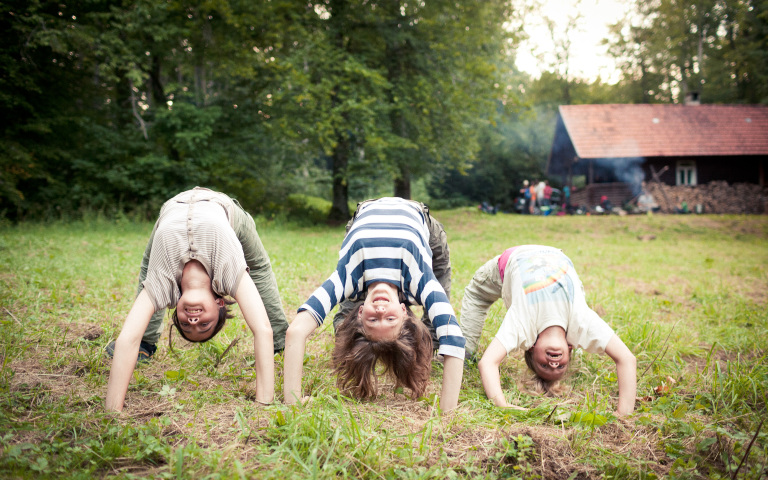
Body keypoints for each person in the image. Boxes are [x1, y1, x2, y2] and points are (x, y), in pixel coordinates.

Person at [105, 187, 288, 411]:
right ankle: (281, 342)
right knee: (257, 267)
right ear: (220, 302)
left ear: (175, 309)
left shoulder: (162, 285)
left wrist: (112, 411)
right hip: (224, 207)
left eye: (185, 323)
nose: (193, 321)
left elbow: (127, 339)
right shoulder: (229, 274)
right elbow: (262, 329)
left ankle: (147, 341)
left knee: (147, 271)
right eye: (205, 324)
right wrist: (264, 402)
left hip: (173, 206)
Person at [283, 197, 465, 411]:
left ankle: (353, 344)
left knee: (345, 321)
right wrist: (447, 412)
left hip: (363, 215)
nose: (381, 310)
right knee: (439, 283)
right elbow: (454, 337)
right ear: (404, 310)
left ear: (360, 312)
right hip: (420, 222)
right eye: (389, 319)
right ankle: (426, 352)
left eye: (373, 319)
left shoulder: (347, 277)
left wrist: (292, 400)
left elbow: (296, 331)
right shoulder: (420, 279)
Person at [459, 245, 636, 416]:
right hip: (555, 254)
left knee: (476, 296)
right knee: (578, 297)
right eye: (561, 366)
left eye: (543, 365)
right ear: (570, 347)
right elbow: (627, 359)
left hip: (514, 258)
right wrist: (623, 413)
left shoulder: (523, 325)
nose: (553, 364)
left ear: (530, 347)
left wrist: (502, 405)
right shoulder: (582, 323)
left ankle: (464, 353)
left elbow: (488, 363)